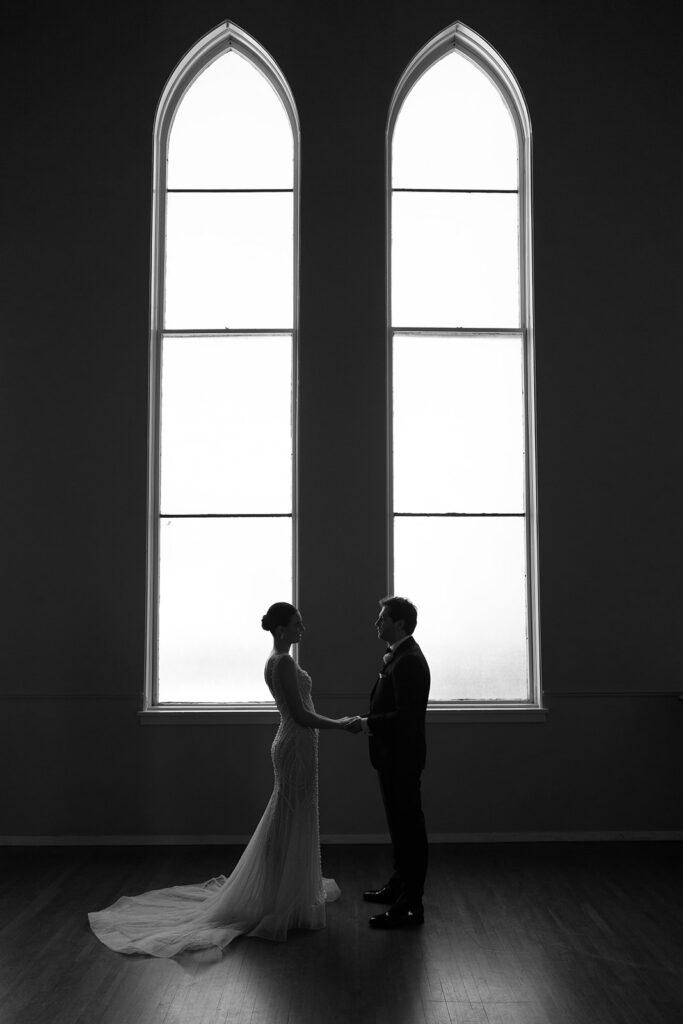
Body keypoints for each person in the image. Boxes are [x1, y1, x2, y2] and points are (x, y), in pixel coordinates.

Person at [88, 602, 359, 957]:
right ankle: (279, 896)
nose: (302, 629)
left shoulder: (275, 661)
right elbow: (301, 714)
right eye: (297, 624)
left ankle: (282, 889)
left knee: (289, 816)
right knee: (290, 816)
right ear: (280, 630)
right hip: (296, 745)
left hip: (293, 744)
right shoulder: (285, 662)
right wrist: (340, 724)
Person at [345, 596, 430, 928]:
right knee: (400, 826)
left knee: (409, 829)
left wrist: (366, 723)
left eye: (382, 618)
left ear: (400, 623)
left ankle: (412, 904)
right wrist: (367, 720)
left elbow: (406, 718)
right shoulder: (400, 657)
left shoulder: (409, 660)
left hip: (402, 758)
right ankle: (399, 886)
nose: (376, 623)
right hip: (391, 757)